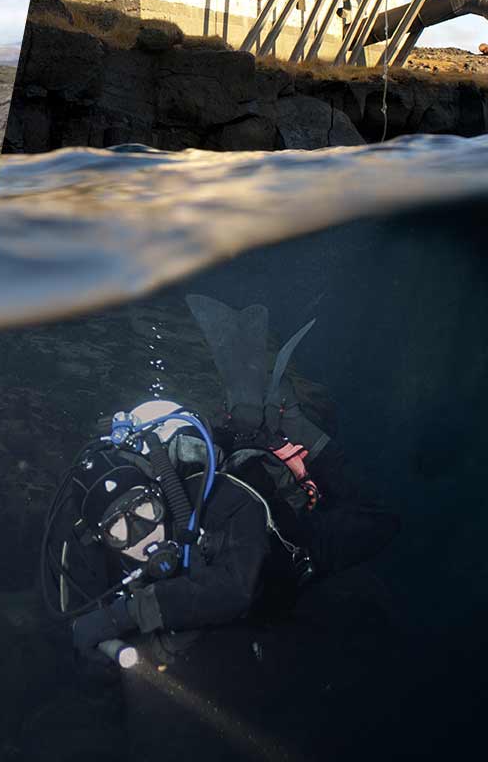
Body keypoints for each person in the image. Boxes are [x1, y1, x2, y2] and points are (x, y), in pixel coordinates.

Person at [39, 296, 399, 757]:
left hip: (292, 558)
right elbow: (79, 637)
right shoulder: (89, 551)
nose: (142, 534)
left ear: (162, 491)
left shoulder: (226, 497)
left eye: (145, 512)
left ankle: (286, 429)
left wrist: (125, 614)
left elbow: (235, 588)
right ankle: (244, 419)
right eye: (119, 530)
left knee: (380, 521)